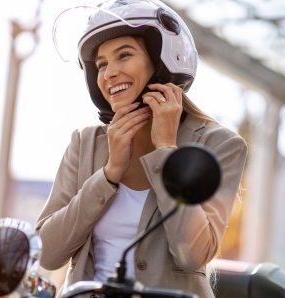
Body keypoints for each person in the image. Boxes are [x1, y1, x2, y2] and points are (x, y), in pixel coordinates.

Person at [36, 1, 248, 297]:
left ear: (162, 61)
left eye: (124, 55)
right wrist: (109, 175)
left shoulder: (219, 144)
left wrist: (166, 152)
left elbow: (193, 255)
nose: (109, 73)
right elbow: (46, 254)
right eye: (101, 64)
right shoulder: (83, 143)